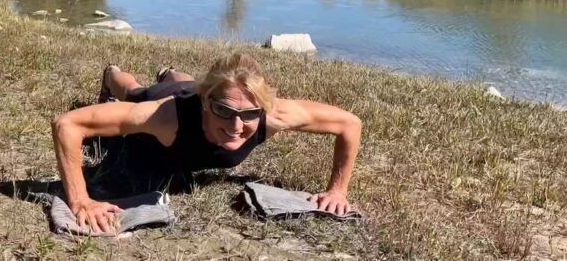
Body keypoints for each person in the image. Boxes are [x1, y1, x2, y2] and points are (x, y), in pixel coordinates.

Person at [51, 53, 362, 234]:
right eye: (223, 111)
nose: (236, 126)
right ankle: (113, 74)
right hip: (167, 101)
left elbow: (349, 123)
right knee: (136, 91)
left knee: (179, 80)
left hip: (196, 88)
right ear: (205, 103)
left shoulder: (273, 114)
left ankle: (171, 72)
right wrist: (80, 200)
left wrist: (338, 190)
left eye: (249, 114)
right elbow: (68, 124)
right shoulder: (165, 118)